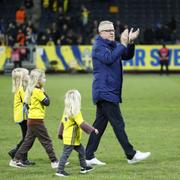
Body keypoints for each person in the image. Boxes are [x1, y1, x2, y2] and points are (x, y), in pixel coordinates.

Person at [85, 20, 151, 166]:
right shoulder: (98, 47)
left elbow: (126, 55)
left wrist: (130, 42)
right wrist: (122, 43)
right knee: (118, 124)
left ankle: (88, 156)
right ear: (100, 33)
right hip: (105, 91)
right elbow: (109, 59)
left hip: (108, 91)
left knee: (99, 126)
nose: (112, 32)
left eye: (113, 29)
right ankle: (131, 155)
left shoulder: (111, 45)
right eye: (108, 30)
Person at [10, 69, 59, 169]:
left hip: (31, 119)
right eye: (43, 78)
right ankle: (54, 161)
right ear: (38, 80)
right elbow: (47, 102)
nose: (45, 80)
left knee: (27, 142)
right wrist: (44, 92)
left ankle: (15, 160)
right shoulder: (37, 91)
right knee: (47, 141)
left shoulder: (31, 90)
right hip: (37, 120)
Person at [56, 89, 99, 177]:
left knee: (82, 151)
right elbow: (82, 124)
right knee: (65, 154)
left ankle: (84, 167)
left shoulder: (66, 112)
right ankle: (60, 170)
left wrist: (60, 134)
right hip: (71, 139)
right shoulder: (76, 112)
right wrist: (93, 130)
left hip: (71, 138)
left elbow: (62, 124)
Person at [9, 68, 35, 166]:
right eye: (27, 74)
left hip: (22, 116)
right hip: (23, 116)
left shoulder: (19, 87)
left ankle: (23, 158)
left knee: (26, 137)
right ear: (22, 77)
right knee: (27, 138)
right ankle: (16, 153)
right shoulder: (21, 88)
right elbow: (27, 100)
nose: (29, 76)